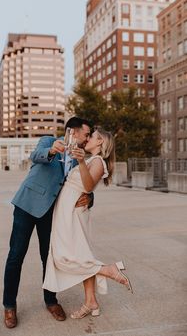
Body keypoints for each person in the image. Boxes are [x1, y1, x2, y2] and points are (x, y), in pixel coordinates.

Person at [3, 117, 92, 328]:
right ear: (73, 131)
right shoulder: (48, 141)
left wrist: (89, 197)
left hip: (50, 213)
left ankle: (51, 301)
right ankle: (9, 305)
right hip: (27, 205)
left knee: (48, 257)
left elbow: (86, 182)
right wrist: (52, 151)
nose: (87, 139)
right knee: (16, 256)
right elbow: (35, 156)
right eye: (86, 134)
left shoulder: (81, 157)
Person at [43, 127, 133, 319]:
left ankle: (107, 269)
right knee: (83, 255)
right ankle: (91, 301)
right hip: (68, 210)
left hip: (73, 213)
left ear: (100, 142)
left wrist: (82, 161)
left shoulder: (98, 161)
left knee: (63, 257)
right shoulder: (91, 160)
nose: (89, 138)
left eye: (92, 136)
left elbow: (88, 185)